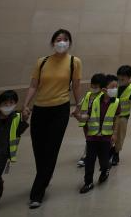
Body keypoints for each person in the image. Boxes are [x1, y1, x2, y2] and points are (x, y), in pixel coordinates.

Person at [22, 29, 82, 209]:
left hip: (60, 108)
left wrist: (79, 105)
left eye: (65, 39)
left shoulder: (74, 62)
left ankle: (37, 193)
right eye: (58, 39)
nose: (61, 42)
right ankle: (44, 176)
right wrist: (26, 105)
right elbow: (34, 85)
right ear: (53, 42)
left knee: (51, 148)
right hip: (40, 108)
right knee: (39, 148)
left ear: (69, 43)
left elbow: (76, 86)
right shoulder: (42, 62)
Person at [79, 73, 120, 194]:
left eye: (116, 87)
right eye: (112, 87)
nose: (115, 89)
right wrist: (79, 117)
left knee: (104, 161)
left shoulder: (116, 102)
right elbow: (88, 115)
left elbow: (116, 119)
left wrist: (115, 133)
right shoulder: (94, 101)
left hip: (106, 138)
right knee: (90, 160)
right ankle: (88, 182)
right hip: (92, 137)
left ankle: (105, 170)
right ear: (104, 89)